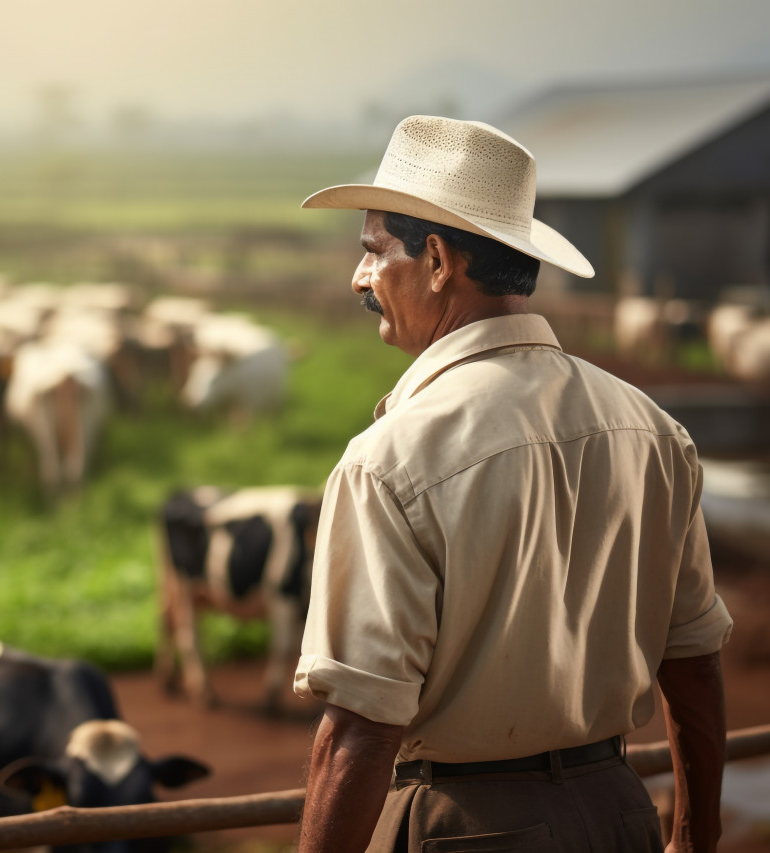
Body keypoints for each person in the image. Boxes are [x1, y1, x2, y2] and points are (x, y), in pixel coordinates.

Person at [293, 115, 732, 853]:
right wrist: (692, 834)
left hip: (463, 826)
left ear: (436, 260)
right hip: (620, 812)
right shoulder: (652, 428)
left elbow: (360, 730)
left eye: (373, 252)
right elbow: (693, 661)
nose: (360, 278)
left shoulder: (390, 459)